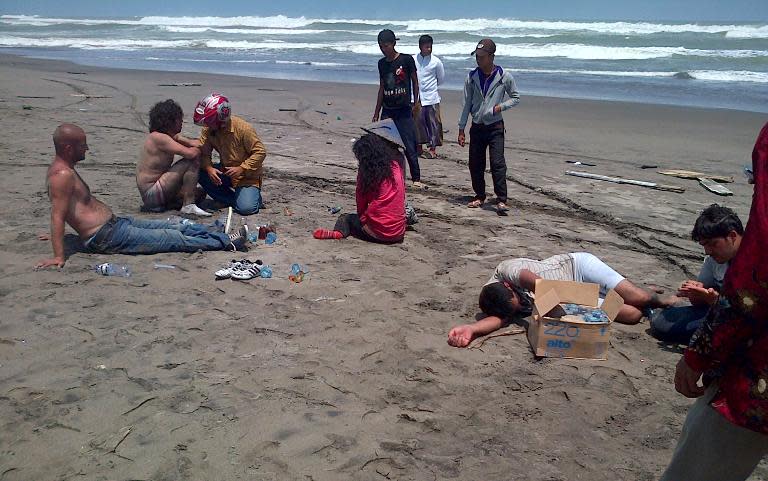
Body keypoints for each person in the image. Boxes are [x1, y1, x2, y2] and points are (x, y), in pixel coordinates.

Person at [660, 123, 768, 481]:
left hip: (754, 367)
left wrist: (698, 353)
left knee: (702, 455)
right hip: (729, 317)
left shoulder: (750, 251)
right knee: (665, 319)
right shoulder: (715, 259)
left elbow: (752, 287)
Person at [35, 124, 247, 269]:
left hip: (114, 225)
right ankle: (226, 241)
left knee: (174, 225)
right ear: (67, 148)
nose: (87, 148)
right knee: (172, 239)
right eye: (83, 144)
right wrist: (58, 255)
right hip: (105, 237)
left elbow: (67, 211)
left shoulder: (65, 171)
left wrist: (58, 234)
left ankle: (213, 230)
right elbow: (57, 214)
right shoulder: (61, 176)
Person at [447, 252, 678, 347]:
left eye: (518, 299)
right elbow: (498, 320)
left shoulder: (508, 271)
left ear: (509, 287)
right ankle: (630, 291)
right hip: (571, 296)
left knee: (640, 298)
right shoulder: (498, 300)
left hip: (577, 269)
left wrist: (547, 323)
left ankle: (663, 300)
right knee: (632, 315)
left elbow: (542, 287)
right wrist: (473, 329)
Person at [650, 204, 743, 344]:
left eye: (712, 244)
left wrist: (716, 302)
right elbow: (700, 302)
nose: (707, 251)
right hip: (718, 312)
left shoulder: (757, 260)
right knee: (662, 322)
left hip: (748, 322)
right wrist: (696, 293)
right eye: (704, 245)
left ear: (732, 236)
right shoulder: (715, 259)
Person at [312, 119, 405, 244]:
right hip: (399, 233)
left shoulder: (367, 169)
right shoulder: (398, 161)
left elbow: (361, 199)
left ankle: (339, 233)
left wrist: (363, 219)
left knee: (346, 218)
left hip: (377, 234)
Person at [458, 38, 520, 214]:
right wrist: (461, 128)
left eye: (482, 57)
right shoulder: (471, 77)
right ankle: (479, 195)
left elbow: (516, 97)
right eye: (477, 56)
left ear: (491, 57)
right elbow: (466, 104)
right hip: (477, 126)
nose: (479, 60)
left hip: (495, 127)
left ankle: (501, 199)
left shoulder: (504, 76)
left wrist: (500, 107)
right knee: (475, 164)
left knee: (497, 162)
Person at [195, 93, 267, 216]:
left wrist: (241, 168)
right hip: (226, 171)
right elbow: (204, 152)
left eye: (210, 121)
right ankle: (233, 199)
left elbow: (260, 152)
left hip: (247, 176)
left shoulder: (243, 129)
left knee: (246, 209)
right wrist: (209, 168)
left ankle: (248, 200)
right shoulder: (209, 130)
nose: (207, 125)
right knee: (199, 172)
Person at [136, 99, 210, 216]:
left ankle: (172, 203)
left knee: (200, 193)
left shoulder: (166, 136)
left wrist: (205, 143)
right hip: (152, 193)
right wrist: (200, 150)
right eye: (179, 120)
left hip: (154, 193)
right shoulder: (159, 138)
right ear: (170, 121)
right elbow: (191, 154)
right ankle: (188, 205)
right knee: (191, 161)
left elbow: (194, 143)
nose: (182, 122)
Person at [372, 29, 425, 189]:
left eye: (386, 45)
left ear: (393, 44)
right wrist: (376, 113)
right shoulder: (382, 64)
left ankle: (416, 178)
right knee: (385, 145)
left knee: (409, 144)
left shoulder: (406, 60)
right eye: (380, 46)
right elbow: (382, 87)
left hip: (403, 109)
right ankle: (387, 176)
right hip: (388, 109)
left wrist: (416, 102)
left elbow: (415, 82)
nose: (383, 49)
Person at [413, 34, 444, 160]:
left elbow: (441, 79)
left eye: (430, 47)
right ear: (421, 47)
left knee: (433, 124)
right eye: (426, 47)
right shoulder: (413, 59)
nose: (429, 49)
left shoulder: (436, 62)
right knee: (417, 123)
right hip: (417, 97)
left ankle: (432, 148)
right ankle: (419, 147)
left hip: (431, 97)